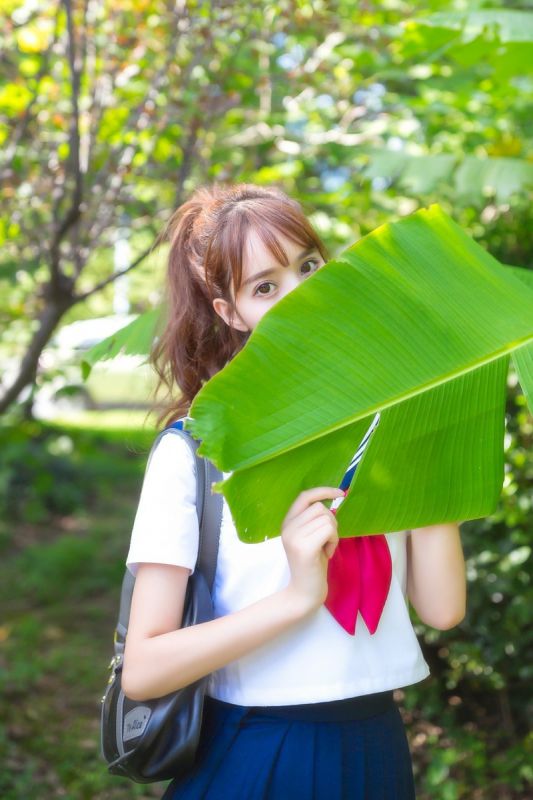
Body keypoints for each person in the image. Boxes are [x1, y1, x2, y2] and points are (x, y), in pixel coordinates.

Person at [122, 183, 466, 799]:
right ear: (231, 313)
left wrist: (425, 438)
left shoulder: (389, 425)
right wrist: (298, 596)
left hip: (377, 750)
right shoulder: (197, 450)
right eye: (265, 286)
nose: (302, 295)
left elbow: (442, 610)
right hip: (259, 752)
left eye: (309, 266)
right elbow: (144, 672)